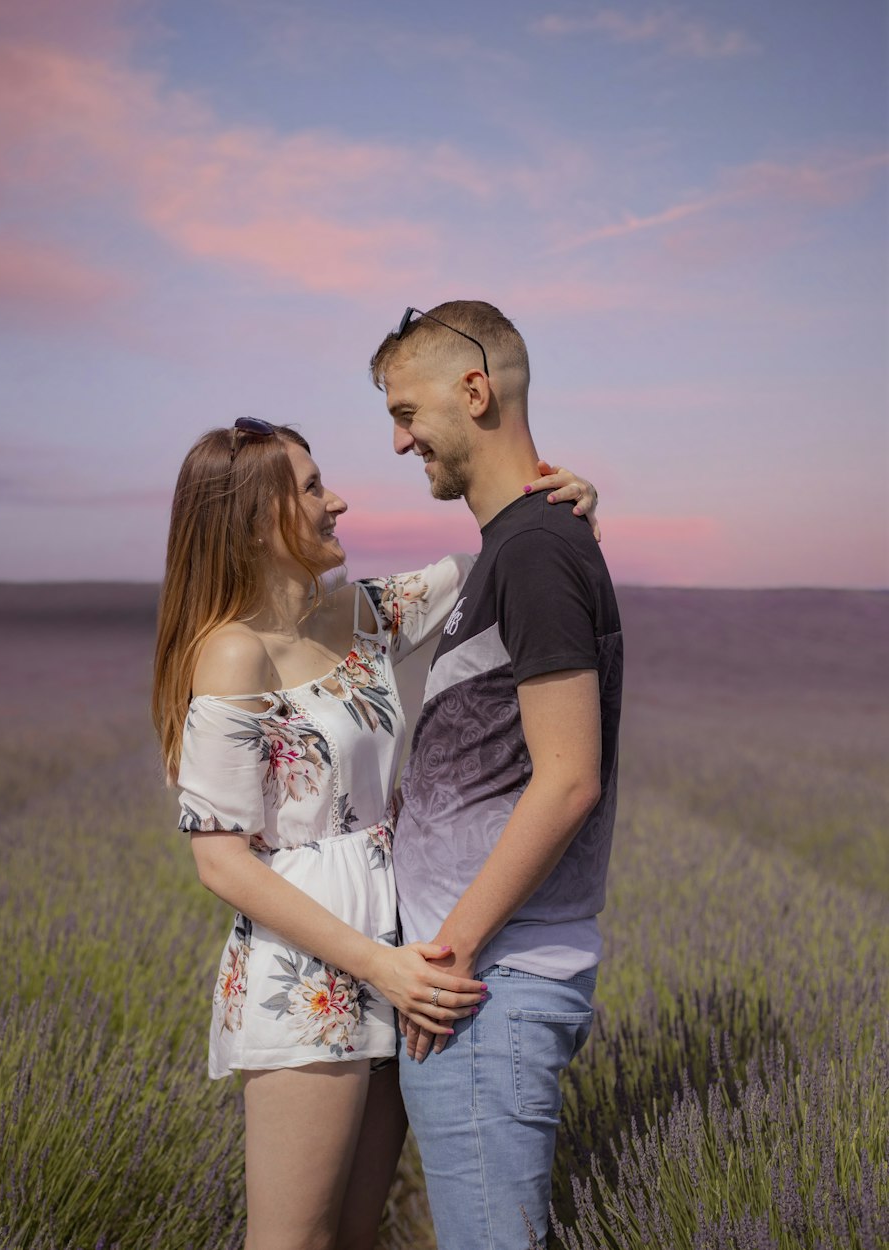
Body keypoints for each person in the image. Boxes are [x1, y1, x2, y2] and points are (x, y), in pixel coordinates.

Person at [151, 418, 600, 1250]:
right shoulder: (231, 656)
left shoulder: (359, 613)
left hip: (394, 939)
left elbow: (499, 567)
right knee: (294, 1241)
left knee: (359, 1234)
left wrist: (563, 506)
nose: (340, 500)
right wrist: (379, 967)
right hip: (311, 967)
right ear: (255, 521)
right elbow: (220, 862)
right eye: (313, 488)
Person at [369, 301, 623, 1250]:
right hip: (482, 985)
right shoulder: (527, 543)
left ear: (474, 392)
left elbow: (568, 780)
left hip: (485, 989)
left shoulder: (535, 549)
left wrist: (451, 955)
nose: (399, 442)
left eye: (406, 413)